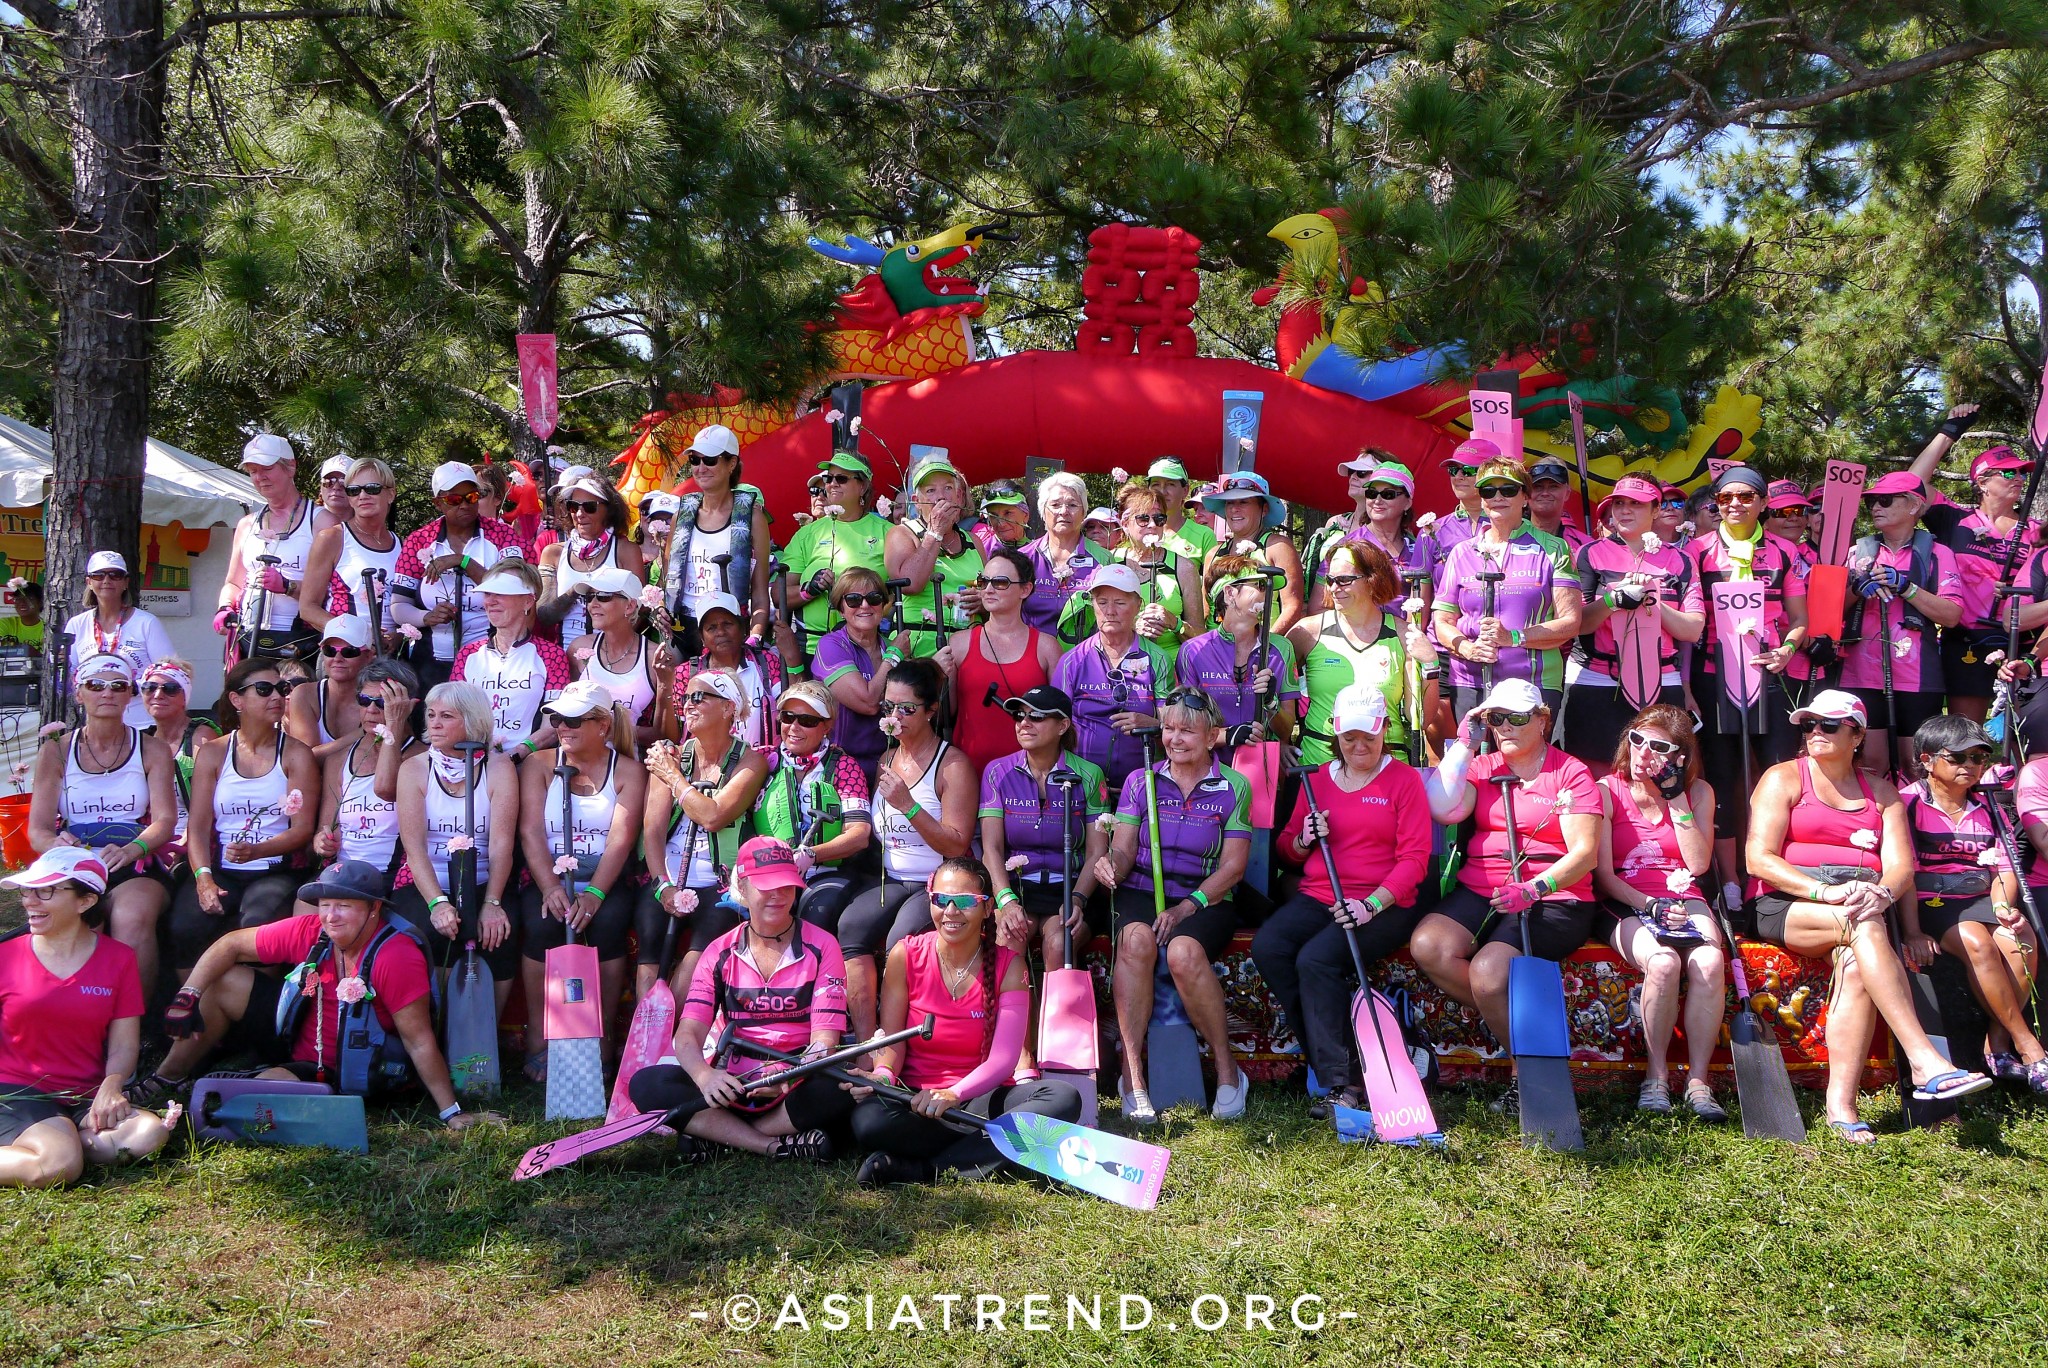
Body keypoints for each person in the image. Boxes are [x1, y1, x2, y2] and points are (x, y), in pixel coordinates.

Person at [1745, 690, 1992, 1141]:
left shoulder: (1882, 792)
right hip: (1790, 901)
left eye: (1829, 725)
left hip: (1862, 903)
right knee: (1863, 925)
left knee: (1859, 962)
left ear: (1858, 735)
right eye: (1809, 725)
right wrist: (1828, 891)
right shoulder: (1783, 778)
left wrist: (1880, 892)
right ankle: (1924, 1061)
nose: (1815, 733)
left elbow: (1901, 867)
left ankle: (1841, 1107)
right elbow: (1758, 859)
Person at [140, 859, 498, 1131]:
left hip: (357, 1067)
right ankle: (167, 1077)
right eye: (325, 904)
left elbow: (418, 1040)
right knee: (224, 980)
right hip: (297, 1036)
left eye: (344, 905)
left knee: (259, 1099)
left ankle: (242, 1087)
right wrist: (189, 993)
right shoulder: (313, 928)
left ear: (374, 909)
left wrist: (452, 1113)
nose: (331, 915)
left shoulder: (395, 955)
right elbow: (231, 945)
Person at [1410, 679, 1601, 1093]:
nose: (1505, 728)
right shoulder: (1482, 767)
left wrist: (1533, 888)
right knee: (1428, 945)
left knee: (1489, 973)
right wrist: (1463, 744)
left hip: (1553, 895)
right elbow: (1441, 808)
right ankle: (1535, 1051)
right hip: (1484, 888)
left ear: (1543, 721)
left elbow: (1585, 854)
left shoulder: (1570, 772)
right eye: (1496, 718)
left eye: (1516, 718)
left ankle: (1526, 1074)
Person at [844, 856, 1082, 1186]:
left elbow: (1003, 1061)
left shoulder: (1009, 966)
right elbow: (893, 1044)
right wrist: (882, 1077)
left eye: (965, 901)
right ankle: (987, 1154)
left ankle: (927, 1171)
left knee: (1063, 1098)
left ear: (987, 909)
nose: (951, 911)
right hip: (917, 1101)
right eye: (941, 900)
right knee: (869, 1121)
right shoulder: (905, 954)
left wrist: (953, 1094)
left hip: (978, 1098)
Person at [1255, 686, 1431, 1118]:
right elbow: (1285, 851)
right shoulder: (1316, 779)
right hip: (1320, 892)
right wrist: (1303, 839)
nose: (1358, 747)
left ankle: (1342, 1082)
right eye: (1350, 737)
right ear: (1336, 734)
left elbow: (1415, 860)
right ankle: (1336, 1057)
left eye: (1368, 737)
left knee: (1315, 960)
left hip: (1386, 901)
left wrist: (1370, 905)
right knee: (1269, 948)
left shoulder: (1404, 780)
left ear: (1384, 731)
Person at [625, 838, 853, 1162]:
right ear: (742, 888)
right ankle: (771, 1145)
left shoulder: (823, 945)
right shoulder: (718, 951)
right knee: (647, 1084)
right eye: (766, 886)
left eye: (786, 885)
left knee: (840, 1084)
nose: (777, 895)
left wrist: (787, 1075)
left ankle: (722, 1136)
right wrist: (705, 1077)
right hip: (729, 1085)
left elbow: (824, 1042)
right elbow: (688, 1036)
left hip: (794, 1081)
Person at [1095, 688, 1252, 1124]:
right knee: (1135, 942)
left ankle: (1227, 1072)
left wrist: (1186, 908)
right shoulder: (1139, 779)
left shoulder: (1234, 786)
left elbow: (1234, 868)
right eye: (1168, 728)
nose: (1174, 738)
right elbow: (1125, 851)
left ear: (1213, 736)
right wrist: (1112, 864)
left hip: (1206, 895)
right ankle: (1133, 1075)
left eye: (1187, 730)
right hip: (1142, 889)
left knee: (1183, 951)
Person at [0, 849, 175, 1186]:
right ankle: (59, 1149)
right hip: (19, 1092)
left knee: (149, 1134)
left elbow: (124, 1044)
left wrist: (111, 1088)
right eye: (27, 891)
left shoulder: (119, 959)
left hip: (84, 1096)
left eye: (45, 891)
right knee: (57, 1166)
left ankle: (56, 1142)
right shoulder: (4, 957)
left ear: (85, 901)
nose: (29, 902)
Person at [1898, 715, 2046, 1092]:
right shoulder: (1907, 804)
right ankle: (2029, 1046)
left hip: (1981, 897)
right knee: (1976, 941)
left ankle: (1997, 1044)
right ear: (1927, 759)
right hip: (1932, 902)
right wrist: (1912, 931)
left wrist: (2003, 909)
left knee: (2021, 941)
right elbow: (1904, 874)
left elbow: (2006, 868)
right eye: (1959, 757)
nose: (1971, 766)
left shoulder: (1992, 807)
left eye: (1980, 757)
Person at [1593, 705, 1726, 1117]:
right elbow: (1603, 877)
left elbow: (1699, 864)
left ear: (1679, 757)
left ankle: (1699, 1082)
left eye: (1657, 747)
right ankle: (1656, 1077)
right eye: (1636, 740)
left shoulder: (1698, 792)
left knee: (1708, 959)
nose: (1643, 753)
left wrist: (1676, 797)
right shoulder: (1605, 789)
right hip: (1627, 897)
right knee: (1665, 963)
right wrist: (1650, 905)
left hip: (1684, 894)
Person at [836, 659, 977, 1039]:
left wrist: (908, 806)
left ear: (932, 710)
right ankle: (867, 1043)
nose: (895, 717)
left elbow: (956, 842)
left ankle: (896, 1039)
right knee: (851, 925)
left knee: (901, 941)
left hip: (933, 880)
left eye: (907, 709)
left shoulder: (953, 764)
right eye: (888, 708)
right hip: (892, 878)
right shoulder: (886, 758)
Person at [1686, 465, 1810, 893]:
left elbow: (1799, 620)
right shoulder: (1695, 551)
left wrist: (1787, 650)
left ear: (1762, 503)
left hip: (1768, 674)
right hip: (1711, 675)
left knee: (1777, 772)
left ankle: (1769, 873)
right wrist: (1685, 686)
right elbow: (1685, 625)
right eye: (1725, 499)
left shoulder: (1784, 551)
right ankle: (1730, 880)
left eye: (1745, 497)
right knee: (1721, 775)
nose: (1734, 505)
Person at [27, 654, 178, 1002]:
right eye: (95, 685)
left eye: (118, 686)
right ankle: (65, 1010)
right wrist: (60, 848)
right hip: (72, 865)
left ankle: (131, 1021)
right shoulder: (56, 752)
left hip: (132, 863)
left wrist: (132, 849)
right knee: (68, 917)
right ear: (79, 694)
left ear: (130, 695)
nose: (106, 693)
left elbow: (165, 821)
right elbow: (37, 831)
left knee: (131, 916)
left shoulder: (152, 748)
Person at [518, 681, 646, 1074]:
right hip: (549, 871)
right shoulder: (538, 764)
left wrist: (594, 893)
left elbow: (621, 841)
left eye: (574, 719)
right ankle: (538, 1040)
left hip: (603, 875)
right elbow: (530, 832)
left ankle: (602, 1041)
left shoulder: (628, 771)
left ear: (603, 725)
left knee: (607, 924)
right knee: (541, 924)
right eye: (557, 718)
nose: (562, 727)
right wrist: (550, 887)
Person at [168, 658, 321, 977]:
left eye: (281, 689)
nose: (277, 697)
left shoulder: (296, 754)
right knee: (184, 925)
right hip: (222, 868)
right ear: (237, 700)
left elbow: (303, 828)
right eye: (264, 690)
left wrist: (258, 851)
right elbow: (197, 828)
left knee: (258, 928)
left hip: (275, 868)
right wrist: (204, 878)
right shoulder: (214, 752)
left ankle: (252, 1012)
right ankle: (192, 1011)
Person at [639, 669, 769, 998]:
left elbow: (712, 817)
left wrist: (674, 778)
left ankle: (677, 1039)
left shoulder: (751, 762)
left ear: (728, 708)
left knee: (693, 969)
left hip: (719, 883)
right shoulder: (669, 757)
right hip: (666, 875)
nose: (688, 705)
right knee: (648, 964)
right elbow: (652, 831)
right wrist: (662, 886)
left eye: (699, 697)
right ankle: (646, 1045)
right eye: (685, 698)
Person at [391, 682, 521, 1011]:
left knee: (501, 932)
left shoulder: (498, 766)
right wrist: (437, 903)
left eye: (446, 716)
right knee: (428, 931)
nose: (433, 723)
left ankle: (485, 1035)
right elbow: (414, 847)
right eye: (431, 714)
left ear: (473, 721)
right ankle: (437, 1025)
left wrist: (492, 901)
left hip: (481, 879)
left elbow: (501, 845)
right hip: (426, 880)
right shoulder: (414, 768)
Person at [1904, 406, 2039, 722]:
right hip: (1967, 642)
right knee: (1967, 733)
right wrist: (1949, 431)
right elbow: (1910, 484)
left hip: (2024, 642)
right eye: (2008, 472)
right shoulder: (1956, 519)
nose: (2018, 478)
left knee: (2025, 737)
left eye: (2022, 472)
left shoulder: (2037, 530)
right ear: (1982, 482)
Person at [1563, 475, 1705, 771]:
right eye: (1619, 503)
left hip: (1662, 678)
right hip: (1599, 677)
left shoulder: (1680, 560)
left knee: (1659, 773)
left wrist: (1651, 599)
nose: (1625, 511)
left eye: (1636, 504)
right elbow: (1580, 623)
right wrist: (1613, 601)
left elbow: (1692, 630)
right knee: (1597, 774)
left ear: (1656, 510)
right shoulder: (1590, 553)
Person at [1430, 456, 1582, 719]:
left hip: (1533, 681)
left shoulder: (1554, 548)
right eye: (1489, 490)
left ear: (1525, 496)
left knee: (1526, 758)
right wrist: (1468, 648)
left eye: (1508, 489)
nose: (1497, 497)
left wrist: (1513, 637)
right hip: (1469, 680)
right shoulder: (1461, 552)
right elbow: (1442, 620)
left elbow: (1570, 622)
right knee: (1474, 758)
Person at [1839, 472, 1963, 777]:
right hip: (1861, 674)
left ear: (1913, 506)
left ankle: (1916, 823)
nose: (1875, 507)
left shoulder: (1938, 553)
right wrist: (1856, 590)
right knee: (1870, 765)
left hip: (1917, 676)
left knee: (1917, 766)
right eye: (1871, 501)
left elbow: (1951, 614)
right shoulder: (1857, 553)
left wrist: (1907, 588)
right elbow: (1831, 611)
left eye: (1885, 500)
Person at [979, 686, 1112, 965]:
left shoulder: (1089, 774)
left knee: (1058, 944)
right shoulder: (997, 772)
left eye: (1037, 716)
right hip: (1018, 886)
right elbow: (991, 848)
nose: (1024, 723)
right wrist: (1006, 901)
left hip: (1072, 886)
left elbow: (1096, 852)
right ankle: (1015, 1011)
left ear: (1063, 725)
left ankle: (1056, 1011)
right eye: (1019, 716)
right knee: (1007, 943)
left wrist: (1077, 899)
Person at [1290, 539, 1434, 767]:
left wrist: (1430, 666)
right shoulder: (1307, 632)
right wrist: (1280, 743)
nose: (1334, 588)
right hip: (1319, 767)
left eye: (1344, 580)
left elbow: (1421, 719)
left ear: (1372, 580)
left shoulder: (1403, 634)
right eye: (1330, 580)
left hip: (1387, 765)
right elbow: (1276, 694)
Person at [391, 462, 530, 692]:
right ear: (438, 503)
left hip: (492, 657)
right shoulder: (419, 541)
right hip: (432, 660)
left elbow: (514, 589)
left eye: (472, 497)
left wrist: (462, 561)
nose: (465, 505)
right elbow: (399, 604)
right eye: (454, 500)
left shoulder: (503, 535)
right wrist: (426, 617)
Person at [750, 681, 873, 933]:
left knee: (814, 914)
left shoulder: (844, 767)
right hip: (769, 870)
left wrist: (812, 855)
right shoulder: (762, 760)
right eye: (787, 717)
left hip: (825, 871)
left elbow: (859, 835)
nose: (794, 727)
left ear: (827, 725)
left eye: (807, 720)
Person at [931, 548, 1060, 777]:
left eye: (999, 582)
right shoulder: (959, 643)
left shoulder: (1046, 647)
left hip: (1029, 777)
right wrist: (934, 674)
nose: (988, 589)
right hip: (968, 774)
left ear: (1025, 589)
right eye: (984, 581)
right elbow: (945, 712)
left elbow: (1060, 718)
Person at [214, 434, 337, 664]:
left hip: (300, 640)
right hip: (247, 637)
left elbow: (332, 592)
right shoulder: (247, 524)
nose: (260, 477)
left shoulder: (322, 522)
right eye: (252, 471)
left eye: (266, 468)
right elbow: (233, 582)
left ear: (290, 467)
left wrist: (287, 586)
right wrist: (224, 608)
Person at [1051, 563, 1172, 795]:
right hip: (1082, 786)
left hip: (1140, 785)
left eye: (1120, 602)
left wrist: (1153, 724)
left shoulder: (1158, 659)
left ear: (1138, 605)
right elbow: (1055, 724)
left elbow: (1171, 723)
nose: (1110, 611)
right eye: (1102, 602)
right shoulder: (1072, 661)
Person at [662, 425, 774, 655]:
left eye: (710, 460)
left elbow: (761, 593)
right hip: (683, 629)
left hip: (729, 633)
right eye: (695, 460)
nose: (701, 468)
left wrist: (755, 636)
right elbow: (667, 581)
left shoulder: (752, 518)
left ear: (731, 463)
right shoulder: (679, 517)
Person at [310, 661, 421, 891]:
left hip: (395, 874)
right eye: (364, 700)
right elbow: (326, 825)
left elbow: (387, 789)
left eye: (382, 703)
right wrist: (323, 841)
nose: (371, 710)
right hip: (345, 872)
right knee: (304, 907)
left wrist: (394, 724)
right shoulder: (338, 760)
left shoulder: (422, 757)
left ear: (407, 706)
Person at [1178, 554, 1300, 757]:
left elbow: (1286, 731)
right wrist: (1227, 735)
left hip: (1260, 769)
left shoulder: (1282, 648)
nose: (1269, 594)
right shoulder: (1193, 650)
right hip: (1208, 771)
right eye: (1261, 586)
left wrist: (1270, 703)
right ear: (1229, 593)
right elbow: (1184, 726)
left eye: (1270, 587)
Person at [454, 561, 571, 758]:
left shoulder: (552, 656)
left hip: (526, 763)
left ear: (528, 601)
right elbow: (452, 713)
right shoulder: (468, 654)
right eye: (487, 593)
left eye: (501, 593)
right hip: (470, 762)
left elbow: (553, 723)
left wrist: (519, 753)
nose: (490, 601)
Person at [784, 451, 891, 649]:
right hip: (811, 644)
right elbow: (779, 595)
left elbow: (903, 593)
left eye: (841, 478)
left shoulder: (888, 532)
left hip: (867, 645)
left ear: (863, 486)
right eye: (828, 478)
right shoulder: (807, 533)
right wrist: (808, 590)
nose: (832, 484)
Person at [885, 451, 985, 661]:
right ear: (916, 502)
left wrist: (982, 601)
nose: (941, 497)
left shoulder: (974, 541)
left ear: (958, 497)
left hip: (970, 647)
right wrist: (934, 533)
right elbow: (909, 585)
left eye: (948, 488)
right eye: (930, 491)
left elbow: (992, 597)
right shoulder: (902, 534)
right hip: (920, 649)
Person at [571, 566, 679, 749]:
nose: (593, 604)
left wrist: (607, 730)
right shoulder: (579, 648)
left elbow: (666, 735)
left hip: (629, 764)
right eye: (589, 597)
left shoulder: (654, 657)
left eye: (603, 596)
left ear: (629, 606)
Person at [811, 568, 901, 785]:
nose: (864, 605)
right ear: (841, 609)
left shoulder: (889, 647)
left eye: (874, 598)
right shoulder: (830, 645)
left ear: (883, 605)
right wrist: (894, 657)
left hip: (889, 763)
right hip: (841, 766)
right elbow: (868, 702)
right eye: (853, 600)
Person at [65, 551, 174, 728]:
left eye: (115, 575)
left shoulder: (146, 622)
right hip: (97, 727)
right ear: (89, 582)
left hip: (143, 724)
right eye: (99, 575)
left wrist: (130, 687)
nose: (107, 581)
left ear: (125, 582)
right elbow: (68, 675)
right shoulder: (77, 624)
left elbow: (169, 671)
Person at [1304, 456, 1423, 613]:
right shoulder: (1346, 547)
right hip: (1359, 635)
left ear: (1407, 502)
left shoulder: (1419, 547)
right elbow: (1319, 608)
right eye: (1372, 493)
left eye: (1388, 494)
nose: (1377, 500)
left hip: (1408, 635)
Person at [299, 456, 404, 634]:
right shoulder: (332, 538)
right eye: (354, 490)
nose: (363, 496)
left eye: (372, 488)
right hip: (344, 654)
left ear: (391, 494)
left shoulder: (401, 544)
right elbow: (308, 608)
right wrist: (358, 634)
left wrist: (398, 637)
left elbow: (408, 606)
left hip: (391, 657)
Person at [540, 472, 643, 645]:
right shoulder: (553, 553)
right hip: (567, 654)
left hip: (612, 653)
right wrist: (576, 591)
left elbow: (638, 612)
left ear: (609, 510)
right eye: (573, 506)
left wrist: (606, 650)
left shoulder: (626, 551)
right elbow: (544, 615)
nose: (580, 514)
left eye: (589, 507)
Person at [1200, 472, 1306, 636]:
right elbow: (1205, 609)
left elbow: (1292, 606)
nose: (1235, 509)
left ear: (1264, 509)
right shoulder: (1213, 554)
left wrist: (1263, 647)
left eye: (1244, 502)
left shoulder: (1277, 547)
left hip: (1261, 647)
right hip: (1216, 649)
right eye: (1229, 503)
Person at [138, 658, 219, 868]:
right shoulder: (142, 742)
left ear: (185, 697)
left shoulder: (201, 736)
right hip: (150, 840)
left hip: (197, 840)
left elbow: (212, 803)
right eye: (149, 687)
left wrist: (183, 844)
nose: (158, 694)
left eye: (170, 689)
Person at [1020, 471, 1113, 638]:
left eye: (1072, 505)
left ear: (1084, 512)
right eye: (1055, 505)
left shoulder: (1103, 559)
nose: (1063, 511)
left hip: (1083, 656)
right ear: (1043, 511)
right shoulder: (1023, 558)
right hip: (1032, 653)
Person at [285, 615, 374, 761]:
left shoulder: (378, 700)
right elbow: (305, 760)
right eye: (329, 650)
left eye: (349, 651)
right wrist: (363, 733)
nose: (338, 658)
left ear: (368, 656)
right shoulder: (304, 694)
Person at [1146, 457, 1218, 564]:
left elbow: (1210, 579)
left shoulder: (1204, 535)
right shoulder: (1139, 531)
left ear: (1185, 490)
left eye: (1170, 484)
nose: (1162, 491)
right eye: (1156, 484)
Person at [1526, 456, 1593, 553]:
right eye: (1537, 487)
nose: (1545, 493)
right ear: (1527, 493)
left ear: (1567, 493)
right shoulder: (1508, 540)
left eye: (1553, 487)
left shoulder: (1585, 547)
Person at [971, 482, 1032, 558]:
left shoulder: (1040, 554)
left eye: (1007, 513)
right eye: (993, 515)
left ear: (1025, 515)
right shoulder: (981, 554)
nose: (1001, 524)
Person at [637, 491, 679, 589]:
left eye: (670, 520)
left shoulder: (692, 559)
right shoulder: (651, 567)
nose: (663, 527)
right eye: (658, 521)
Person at [0, 578, 45, 649]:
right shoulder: (6, 623)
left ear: (40, 602)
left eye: (29, 598)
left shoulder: (47, 628)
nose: (22, 602)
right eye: (18, 599)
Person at [316, 454, 353, 519]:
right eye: (329, 481)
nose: (336, 487)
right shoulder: (305, 522)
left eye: (344, 482)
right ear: (320, 487)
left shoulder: (371, 525)